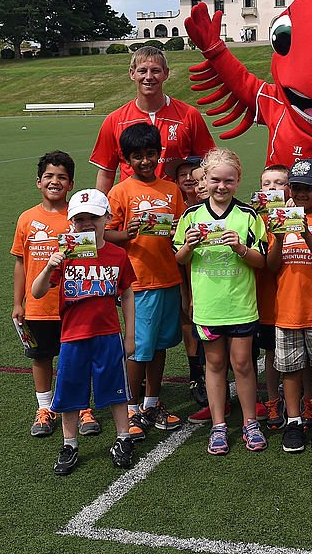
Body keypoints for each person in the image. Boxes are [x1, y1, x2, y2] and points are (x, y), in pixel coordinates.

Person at [31, 188, 137, 476]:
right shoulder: (64, 255)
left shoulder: (117, 254)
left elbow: (127, 294)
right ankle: (69, 444)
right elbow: (37, 292)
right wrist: (49, 265)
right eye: (80, 219)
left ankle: (123, 438)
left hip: (108, 333)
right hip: (73, 335)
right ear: (71, 223)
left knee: (116, 391)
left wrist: (130, 334)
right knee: (70, 392)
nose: (87, 223)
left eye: (94, 217)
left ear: (107, 219)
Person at [174, 148, 268, 455]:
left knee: (242, 364)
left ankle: (250, 422)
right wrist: (188, 246)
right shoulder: (191, 216)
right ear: (205, 178)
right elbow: (178, 257)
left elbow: (261, 261)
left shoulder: (248, 216)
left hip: (240, 303)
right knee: (214, 365)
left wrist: (241, 248)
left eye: (228, 180)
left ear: (238, 180)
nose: (221, 186)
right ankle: (218, 425)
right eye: (215, 180)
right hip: (208, 307)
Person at [104, 124, 185, 442]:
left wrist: (179, 228)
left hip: (168, 278)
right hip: (138, 284)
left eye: (150, 154)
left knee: (161, 345)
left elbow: (180, 230)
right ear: (127, 159)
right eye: (138, 156)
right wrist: (127, 233)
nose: (145, 161)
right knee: (138, 349)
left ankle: (151, 402)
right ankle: (131, 407)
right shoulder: (121, 191)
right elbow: (104, 234)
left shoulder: (171, 190)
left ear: (159, 154)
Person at [265, 159, 312, 453]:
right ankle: (294, 421)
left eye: (307, 189)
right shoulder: (278, 219)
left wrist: (306, 232)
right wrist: (282, 235)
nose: (300, 194)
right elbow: (273, 267)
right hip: (287, 310)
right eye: (295, 188)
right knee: (290, 369)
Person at [12, 150, 88, 438]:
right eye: (49, 177)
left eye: (62, 177)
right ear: (38, 182)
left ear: (71, 184)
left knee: (77, 357)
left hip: (73, 304)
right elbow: (21, 262)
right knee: (41, 357)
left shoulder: (78, 217)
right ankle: (45, 408)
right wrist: (18, 303)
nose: (54, 182)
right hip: (38, 306)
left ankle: (83, 408)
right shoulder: (26, 219)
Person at [91, 46, 214, 194]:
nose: (149, 77)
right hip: (132, 210)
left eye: (155, 70)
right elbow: (106, 173)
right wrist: (99, 211)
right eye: (142, 71)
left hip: (179, 208)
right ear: (132, 74)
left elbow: (208, 164)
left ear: (166, 74)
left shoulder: (189, 115)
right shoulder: (114, 120)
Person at [167, 156, 207, 406]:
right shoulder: (173, 204)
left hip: (208, 274)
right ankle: (196, 374)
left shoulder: (215, 202)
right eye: (183, 174)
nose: (189, 179)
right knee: (186, 315)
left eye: (196, 175)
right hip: (179, 270)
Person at [257, 163, 290, 430]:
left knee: (294, 353)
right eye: (267, 184)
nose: (272, 188)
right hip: (264, 298)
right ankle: (272, 398)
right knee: (271, 352)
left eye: (279, 183)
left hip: (292, 298)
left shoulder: (295, 216)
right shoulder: (254, 217)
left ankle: (298, 399)